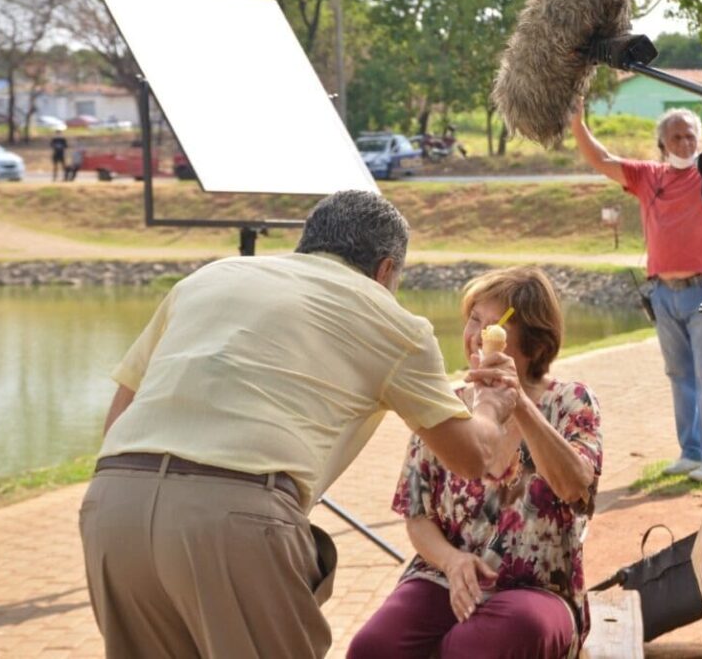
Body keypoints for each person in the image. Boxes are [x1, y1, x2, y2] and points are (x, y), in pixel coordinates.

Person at [79, 190, 523, 659]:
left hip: (112, 504)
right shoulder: (392, 320)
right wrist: (491, 404)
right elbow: (472, 458)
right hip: (234, 518)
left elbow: (121, 414)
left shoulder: (208, 279)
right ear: (386, 270)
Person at [348, 266, 602, 659]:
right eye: (473, 319)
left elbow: (576, 489)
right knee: (373, 647)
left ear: (533, 344)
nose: (474, 335)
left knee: (478, 646)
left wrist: (518, 404)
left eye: (489, 326)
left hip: (537, 591)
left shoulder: (571, 402)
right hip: (443, 578)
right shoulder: (445, 407)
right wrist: (452, 562)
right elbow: (417, 515)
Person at [570, 72, 702, 483]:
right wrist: (577, 119)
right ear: (663, 144)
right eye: (677, 137)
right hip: (664, 293)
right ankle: (691, 451)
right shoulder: (649, 177)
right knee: (680, 375)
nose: (686, 143)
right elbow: (600, 159)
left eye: (691, 136)